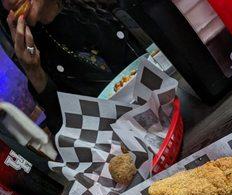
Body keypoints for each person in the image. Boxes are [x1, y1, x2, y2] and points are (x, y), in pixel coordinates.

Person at [1, 0, 143, 133]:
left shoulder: (103, 7)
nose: (10, 2)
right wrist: (34, 72)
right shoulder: (38, 54)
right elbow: (68, 135)